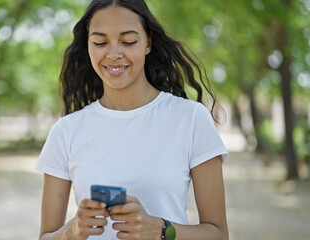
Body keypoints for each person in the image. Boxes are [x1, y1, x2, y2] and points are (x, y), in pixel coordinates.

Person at [36, 0, 229, 239]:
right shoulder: (66, 131)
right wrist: (70, 232)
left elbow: (218, 233)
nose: (114, 53)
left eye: (128, 41)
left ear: (148, 42)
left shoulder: (190, 119)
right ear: (87, 45)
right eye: (100, 42)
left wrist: (161, 229)